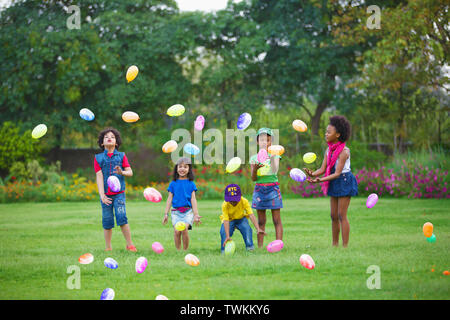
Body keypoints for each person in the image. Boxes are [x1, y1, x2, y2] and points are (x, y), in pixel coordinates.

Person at [304, 115, 358, 247]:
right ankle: (335, 244)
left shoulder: (344, 152)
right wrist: (312, 174)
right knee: (333, 215)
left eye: (329, 132)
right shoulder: (329, 149)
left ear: (338, 134)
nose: (326, 134)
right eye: (326, 131)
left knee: (341, 215)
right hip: (334, 181)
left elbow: (338, 173)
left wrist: (320, 180)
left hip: (344, 180)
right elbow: (323, 168)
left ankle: (345, 246)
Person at [94, 128, 137, 252]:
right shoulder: (98, 158)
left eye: (112, 137)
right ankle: (108, 247)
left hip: (119, 195)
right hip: (106, 196)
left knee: (122, 217)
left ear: (116, 142)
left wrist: (122, 172)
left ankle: (130, 245)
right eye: (106, 137)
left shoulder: (121, 156)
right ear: (102, 143)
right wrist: (102, 195)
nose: (109, 138)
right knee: (107, 220)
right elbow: (99, 176)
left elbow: (130, 172)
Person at [249, 128, 283, 248]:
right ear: (257, 142)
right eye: (262, 140)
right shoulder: (254, 158)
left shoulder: (275, 156)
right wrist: (255, 169)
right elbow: (253, 179)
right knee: (261, 221)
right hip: (259, 189)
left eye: (267, 140)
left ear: (271, 142)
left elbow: (274, 171)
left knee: (276, 220)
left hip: (272, 188)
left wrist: (271, 158)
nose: (264, 142)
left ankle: (279, 244)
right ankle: (260, 246)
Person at [163, 157, 202, 250]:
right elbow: (169, 199)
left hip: (187, 212)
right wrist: (166, 214)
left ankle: (185, 251)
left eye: (185, 167)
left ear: (189, 169)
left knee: (184, 229)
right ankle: (178, 251)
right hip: (176, 212)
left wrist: (196, 214)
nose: (182, 169)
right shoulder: (173, 183)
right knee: (177, 231)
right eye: (180, 166)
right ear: (176, 168)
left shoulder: (191, 184)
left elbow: (193, 199)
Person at [220, 184, 266, 253]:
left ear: (240, 195)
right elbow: (226, 220)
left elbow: (251, 215)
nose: (233, 202)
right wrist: (227, 236)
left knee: (247, 229)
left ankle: (250, 247)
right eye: (230, 200)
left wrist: (258, 228)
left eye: (235, 200)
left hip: (241, 219)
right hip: (229, 220)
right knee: (223, 232)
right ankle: (224, 250)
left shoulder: (244, 201)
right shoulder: (225, 204)